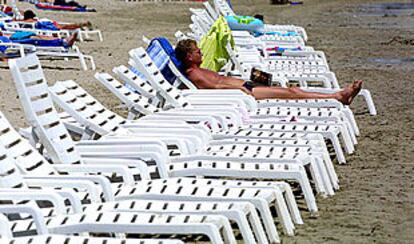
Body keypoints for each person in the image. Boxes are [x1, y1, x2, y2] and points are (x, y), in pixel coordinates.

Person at [174, 39, 362, 105]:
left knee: (290, 87)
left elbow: (223, 79)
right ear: (189, 57)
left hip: (246, 83)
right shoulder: (195, 75)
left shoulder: (198, 70)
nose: (201, 52)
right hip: (246, 91)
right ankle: (338, 97)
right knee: (291, 93)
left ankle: (335, 94)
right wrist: (246, 87)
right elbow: (219, 88)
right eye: (197, 51)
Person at [22, 10, 92, 30]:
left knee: (64, 27)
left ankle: (81, 25)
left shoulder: (28, 21)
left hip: (44, 24)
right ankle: (81, 25)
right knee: (64, 26)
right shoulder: (33, 20)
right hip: (45, 21)